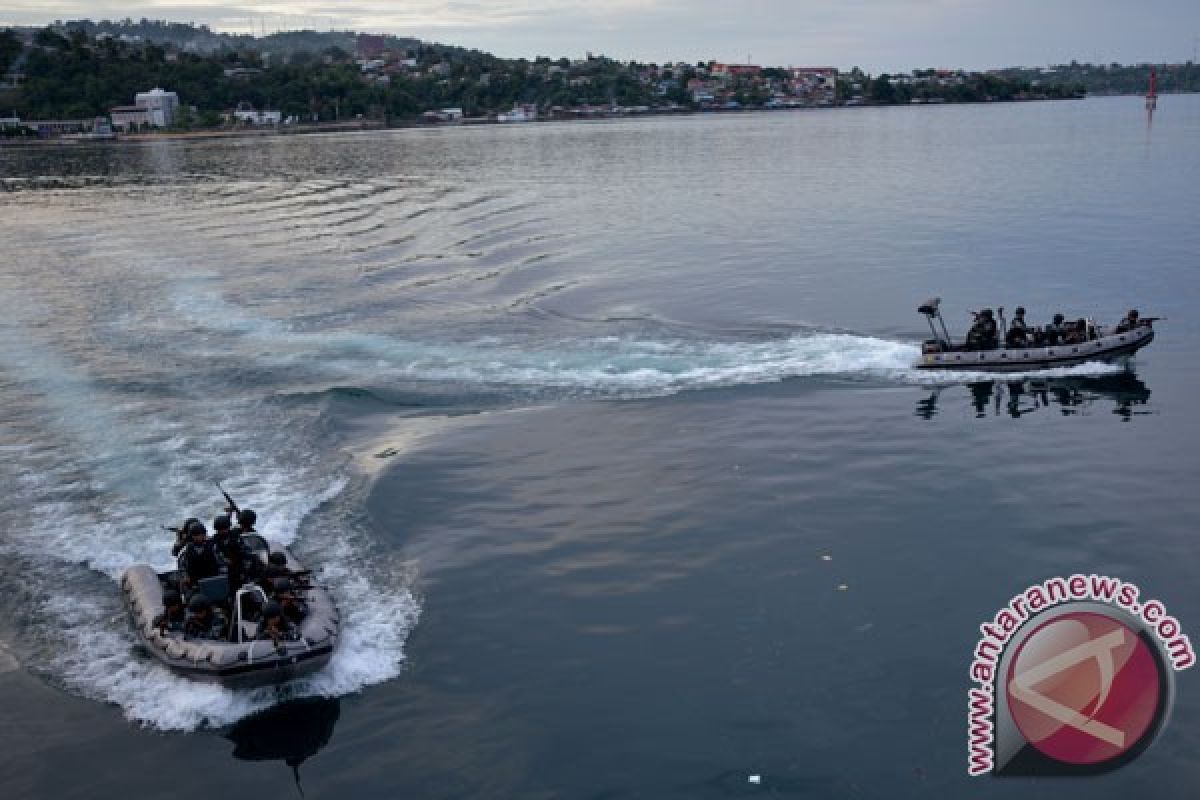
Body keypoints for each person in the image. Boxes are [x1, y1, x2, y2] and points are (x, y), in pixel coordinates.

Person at [177, 522, 221, 592]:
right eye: (196, 535)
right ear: (192, 536)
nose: (199, 537)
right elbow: (182, 566)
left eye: (201, 534)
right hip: (195, 583)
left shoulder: (213, 546)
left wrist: (221, 577)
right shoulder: (186, 550)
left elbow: (220, 562)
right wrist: (185, 576)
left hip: (213, 579)